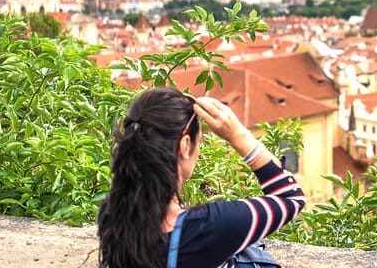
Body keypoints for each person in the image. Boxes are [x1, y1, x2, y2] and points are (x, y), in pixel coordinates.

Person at [98, 86, 305, 268]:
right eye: (199, 141)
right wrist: (237, 135)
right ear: (185, 145)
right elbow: (291, 198)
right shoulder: (208, 227)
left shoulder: (111, 212)